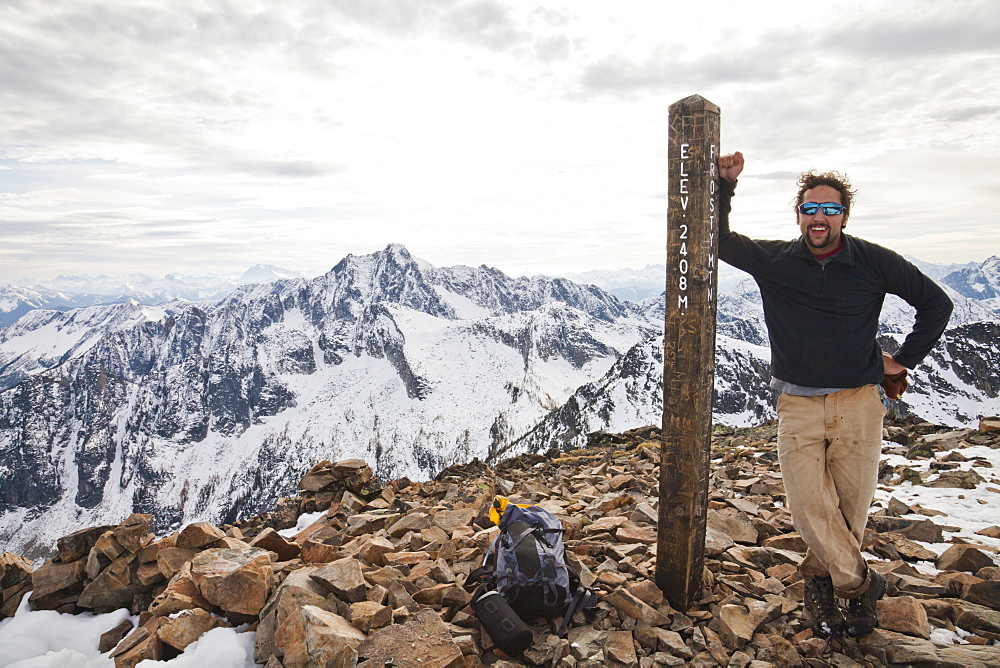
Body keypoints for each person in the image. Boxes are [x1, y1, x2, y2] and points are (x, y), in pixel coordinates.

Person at [715, 151, 953, 638]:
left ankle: (826, 587)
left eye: (829, 209)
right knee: (809, 506)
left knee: (848, 509)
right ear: (798, 214)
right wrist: (725, 187)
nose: (819, 217)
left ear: (844, 215)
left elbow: (936, 302)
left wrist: (903, 359)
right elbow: (716, 241)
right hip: (797, 404)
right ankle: (862, 585)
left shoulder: (872, 261)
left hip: (860, 403)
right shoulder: (776, 261)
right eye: (810, 208)